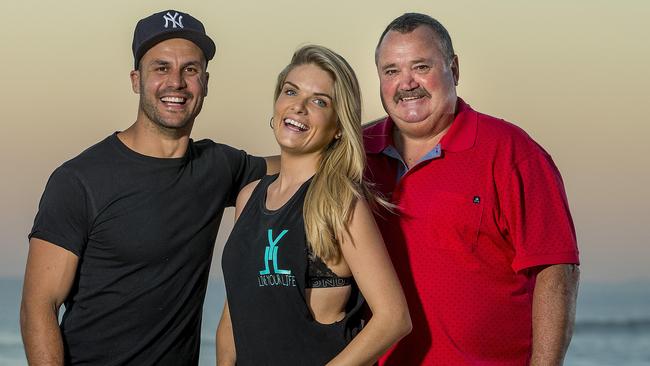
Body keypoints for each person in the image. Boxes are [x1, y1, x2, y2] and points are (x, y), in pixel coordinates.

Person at [20, 10, 277, 365]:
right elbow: (39, 307)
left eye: (190, 69)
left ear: (205, 82)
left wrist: (366, 132)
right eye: (161, 68)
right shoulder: (79, 180)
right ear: (136, 80)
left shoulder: (218, 166)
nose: (177, 82)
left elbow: (300, 161)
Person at [363, 13, 580, 365]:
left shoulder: (512, 152)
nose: (407, 83)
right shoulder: (355, 156)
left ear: (455, 69)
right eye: (391, 71)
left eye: (421, 66)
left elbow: (556, 271)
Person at [216, 45, 411, 365]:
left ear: (337, 127)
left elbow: (394, 318)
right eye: (291, 92)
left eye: (319, 101)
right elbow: (234, 314)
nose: (299, 107)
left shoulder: (339, 203)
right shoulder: (248, 196)